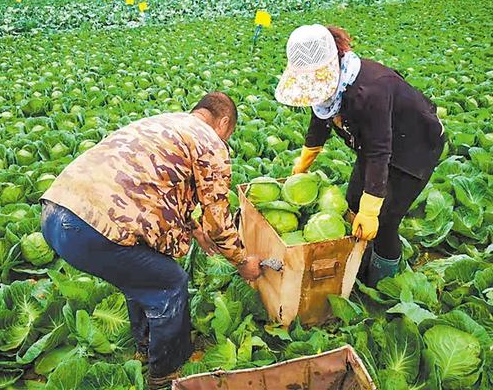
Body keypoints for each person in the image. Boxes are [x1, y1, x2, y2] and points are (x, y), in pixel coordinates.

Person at [40, 92, 261, 388]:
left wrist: (194, 227)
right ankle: (165, 373)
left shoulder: (162, 123)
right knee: (170, 284)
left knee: (144, 275)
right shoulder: (210, 142)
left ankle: (145, 346)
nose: (226, 142)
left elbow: (150, 185)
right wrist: (243, 262)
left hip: (56, 214)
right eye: (229, 134)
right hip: (93, 228)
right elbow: (220, 222)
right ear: (223, 123)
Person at [275, 24, 444, 286]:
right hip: (375, 144)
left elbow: (380, 152)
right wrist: (303, 164)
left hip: (414, 147)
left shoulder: (371, 89)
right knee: (352, 200)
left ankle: (384, 284)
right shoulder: (328, 90)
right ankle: (352, 266)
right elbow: (320, 122)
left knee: (385, 220)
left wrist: (371, 209)